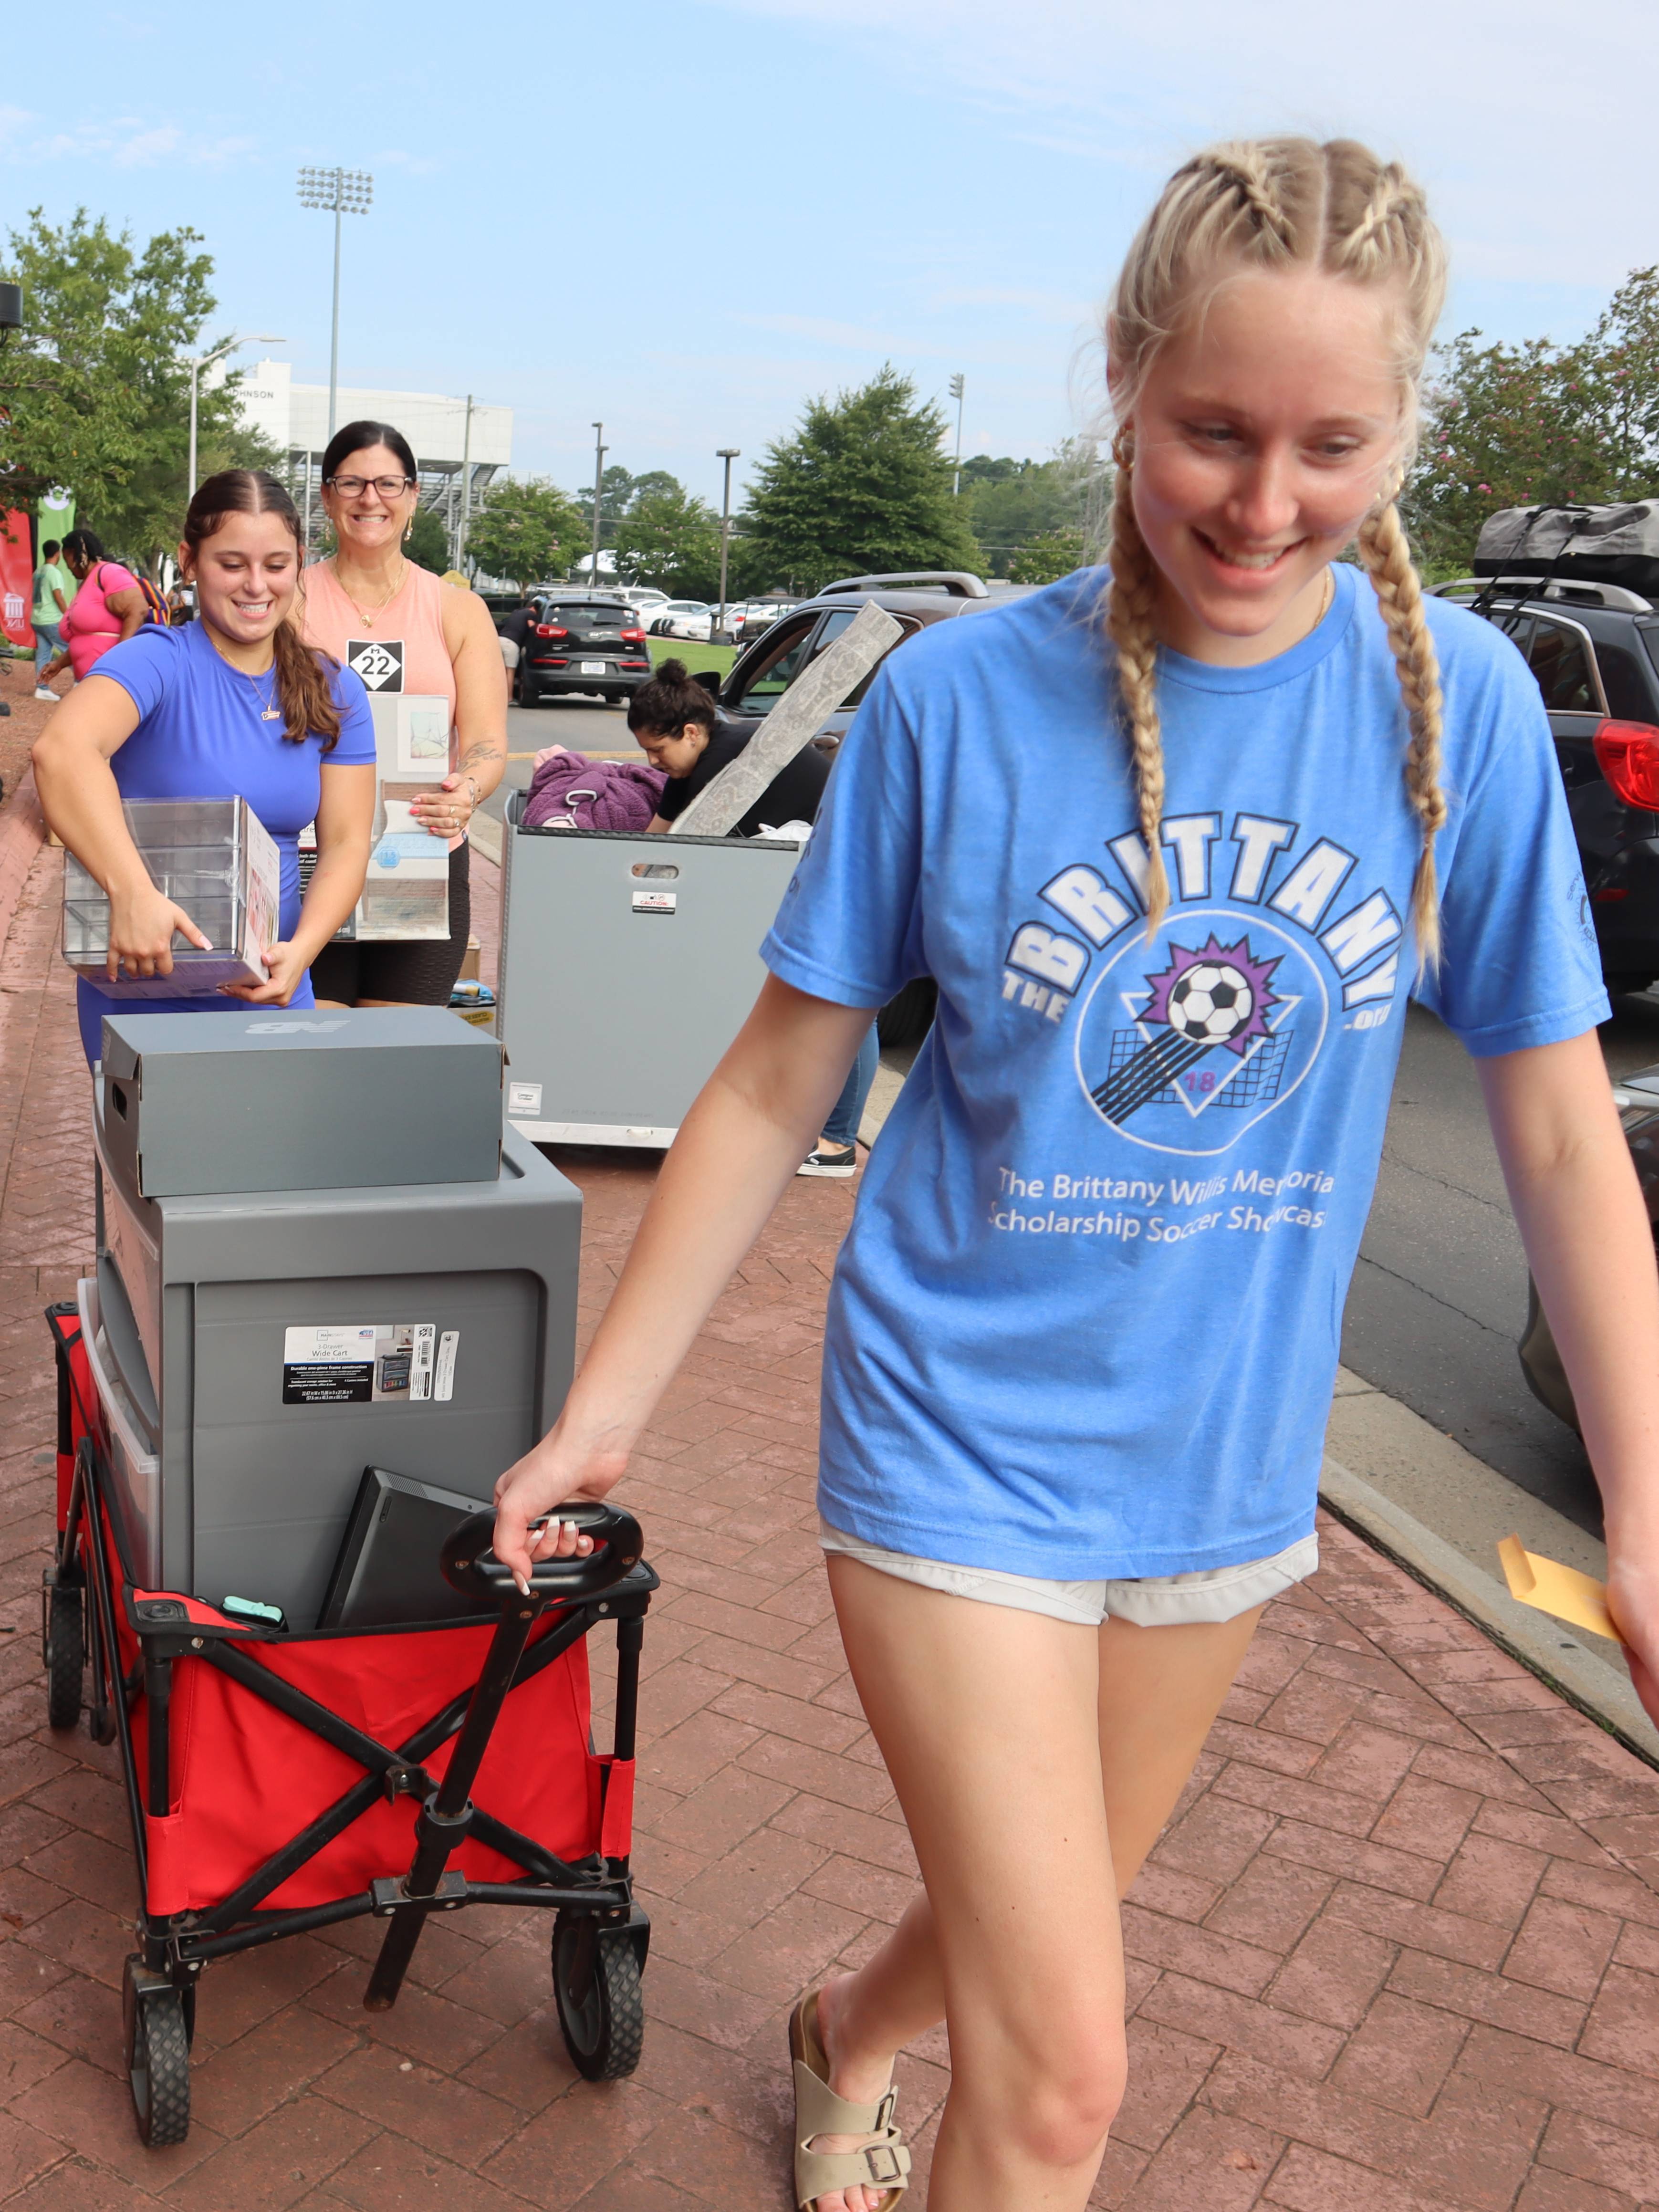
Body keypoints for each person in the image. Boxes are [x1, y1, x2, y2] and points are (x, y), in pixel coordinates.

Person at [492, 136, 1659, 2212]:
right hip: (958, 1444)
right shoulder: (955, 697)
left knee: (1032, 1927)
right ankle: (890, 2066)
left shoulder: (1455, 708)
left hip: (1218, 1462)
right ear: (1121, 374)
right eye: (1212, 430)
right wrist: (603, 1406)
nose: (1264, 502)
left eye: (1332, 444)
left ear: (1407, 429)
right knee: (1060, 2081)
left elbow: (1559, 1124)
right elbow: (774, 1083)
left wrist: (1645, 1507)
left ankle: (844, 2029)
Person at [32, 471, 376, 1068]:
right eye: (232, 564)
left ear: (299, 565)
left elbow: (346, 843)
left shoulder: (333, 687)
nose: (256, 585)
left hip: (273, 989)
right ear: (190, 562)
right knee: (154, 1161)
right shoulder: (157, 660)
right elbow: (61, 753)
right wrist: (131, 892)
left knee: (283, 1157)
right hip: (146, 985)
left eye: (276, 565)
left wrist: (302, 953)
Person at [630, 658, 873, 1175]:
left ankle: (837, 1142)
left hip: (851, 870)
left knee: (844, 996)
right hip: (808, 871)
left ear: (691, 731)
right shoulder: (693, 761)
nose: (653, 761)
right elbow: (658, 839)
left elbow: (692, 851)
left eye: (658, 749)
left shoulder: (728, 759)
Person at [300, 420, 507, 1008]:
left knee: (392, 1062)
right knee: (314, 1052)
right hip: (312, 859)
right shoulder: (290, 602)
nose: (371, 499)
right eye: (352, 483)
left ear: (413, 496)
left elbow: (488, 741)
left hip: (421, 857)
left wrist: (466, 789)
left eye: (389, 484)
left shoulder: (458, 610)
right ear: (326, 496)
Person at [37, 529, 148, 689]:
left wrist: (118, 660)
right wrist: (59, 663)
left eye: (66, 557)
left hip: (111, 682)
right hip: (90, 682)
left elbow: (139, 610)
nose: (67, 566)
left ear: (75, 553)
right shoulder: (88, 581)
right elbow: (86, 638)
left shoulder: (109, 572)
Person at [31, 539, 70, 700]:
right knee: (72, 651)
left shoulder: (38, 572)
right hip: (51, 619)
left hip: (37, 619)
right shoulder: (53, 572)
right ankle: (81, 683)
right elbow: (58, 596)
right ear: (57, 554)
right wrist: (68, 614)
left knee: (43, 654)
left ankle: (42, 688)